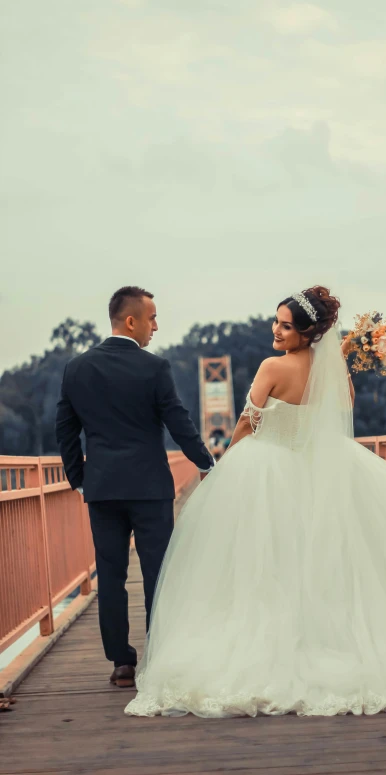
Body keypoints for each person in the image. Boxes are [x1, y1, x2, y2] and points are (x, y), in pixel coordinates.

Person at [125, 286, 386, 717]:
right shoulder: (337, 375)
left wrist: (222, 468)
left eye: (286, 326)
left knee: (267, 565)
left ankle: (279, 644)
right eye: (275, 321)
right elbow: (337, 418)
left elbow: (247, 424)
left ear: (307, 333)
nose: (276, 330)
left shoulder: (272, 367)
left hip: (267, 467)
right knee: (328, 562)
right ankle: (334, 642)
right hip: (321, 469)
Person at [56, 286, 214, 689]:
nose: (156, 326)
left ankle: (122, 664)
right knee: (158, 574)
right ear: (131, 321)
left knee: (110, 576)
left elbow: (66, 432)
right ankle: (159, 655)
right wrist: (206, 462)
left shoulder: (77, 368)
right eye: (152, 318)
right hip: (149, 487)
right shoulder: (155, 368)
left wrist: (79, 480)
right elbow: (178, 422)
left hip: (103, 488)